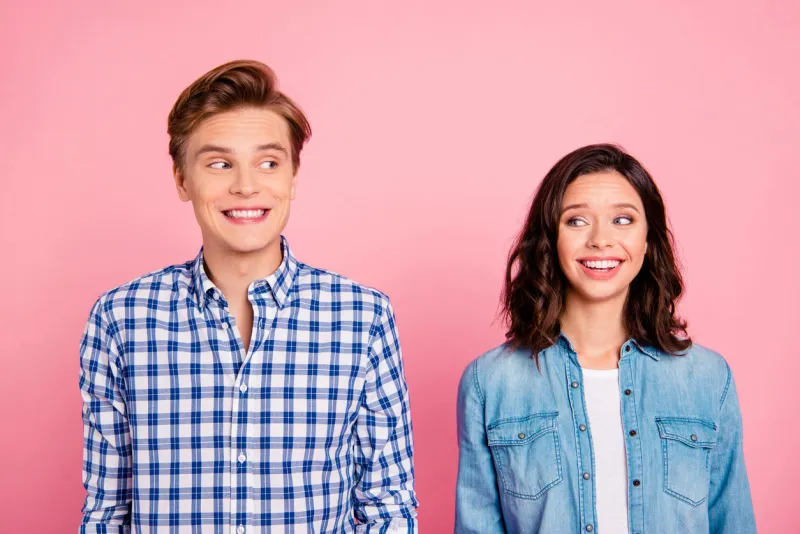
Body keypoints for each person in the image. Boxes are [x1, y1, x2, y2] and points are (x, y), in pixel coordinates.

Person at [79, 59, 417, 533]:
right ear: (182, 179)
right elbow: (106, 512)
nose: (245, 185)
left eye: (268, 163)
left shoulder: (363, 317)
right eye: (220, 163)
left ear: (293, 178)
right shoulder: (120, 319)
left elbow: (389, 508)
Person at [455, 144, 755, 533]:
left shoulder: (708, 378)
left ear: (648, 240)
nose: (600, 240)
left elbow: (733, 523)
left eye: (623, 220)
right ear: (550, 238)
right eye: (577, 221)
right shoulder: (491, 382)